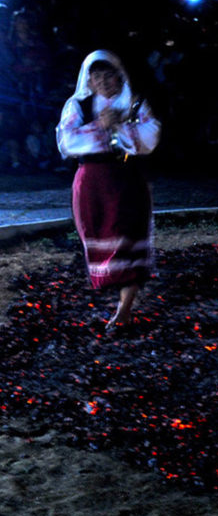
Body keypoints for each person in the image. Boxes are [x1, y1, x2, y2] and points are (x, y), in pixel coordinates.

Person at [56, 50, 161, 333]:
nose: (102, 81)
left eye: (108, 75)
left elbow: (151, 136)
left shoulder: (134, 103)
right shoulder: (78, 105)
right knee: (101, 237)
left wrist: (119, 126)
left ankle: (124, 309)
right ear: (89, 79)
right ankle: (115, 291)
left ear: (119, 75)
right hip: (92, 183)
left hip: (127, 181)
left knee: (129, 238)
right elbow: (66, 142)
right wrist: (98, 127)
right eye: (96, 76)